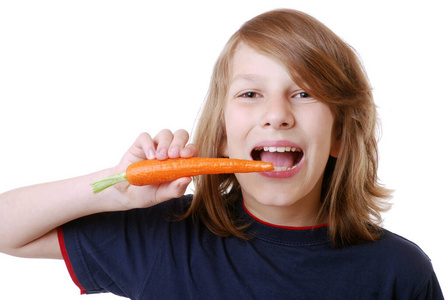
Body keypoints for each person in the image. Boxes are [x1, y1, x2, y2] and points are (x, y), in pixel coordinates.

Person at [0, 9, 444, 299]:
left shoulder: (400, 274)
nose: (276, 115)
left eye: (304, 93)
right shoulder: (165, 237)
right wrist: (116, 189)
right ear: (221, 137)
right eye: (251, 93)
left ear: (341, 136)